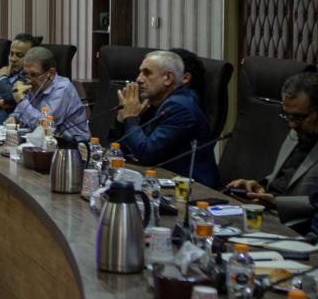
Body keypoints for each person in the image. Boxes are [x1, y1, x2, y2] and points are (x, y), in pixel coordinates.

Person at [108, 50, 218, 187]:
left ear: (168, 78)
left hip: (191, 191)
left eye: (147, 73)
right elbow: (117, 149)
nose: (139, 79)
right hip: (160, 181)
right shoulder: (156, 104)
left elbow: (147, 154)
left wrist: (130, 118)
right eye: (140, 72)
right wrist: (122, 118)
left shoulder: (179, 108)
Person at [226, 72, 318, 230]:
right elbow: (284, 177)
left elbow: (315, 202)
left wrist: (276, 203)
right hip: (267, 213)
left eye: (298, 117)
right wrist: (258, 187)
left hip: (296, 226)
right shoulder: (298, 130)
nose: (292, 125)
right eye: (286, 115)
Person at [10, 46, 89, 141]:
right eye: (26, 74)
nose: (29, 80)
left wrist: (21, 100)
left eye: (34, 75)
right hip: (44, 142)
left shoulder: (63, 89)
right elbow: (21, 113)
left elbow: (44, 126)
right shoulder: (35, 85)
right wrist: (14, 118)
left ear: (51, 73)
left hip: (73, 144)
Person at [0, 33, 40, 123]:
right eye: (11, 54)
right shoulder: (4, 71)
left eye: (19, 55)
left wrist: (2, 78)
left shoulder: (32, 78)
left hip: (6, 124)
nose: (13, 59)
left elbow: (11, 97)